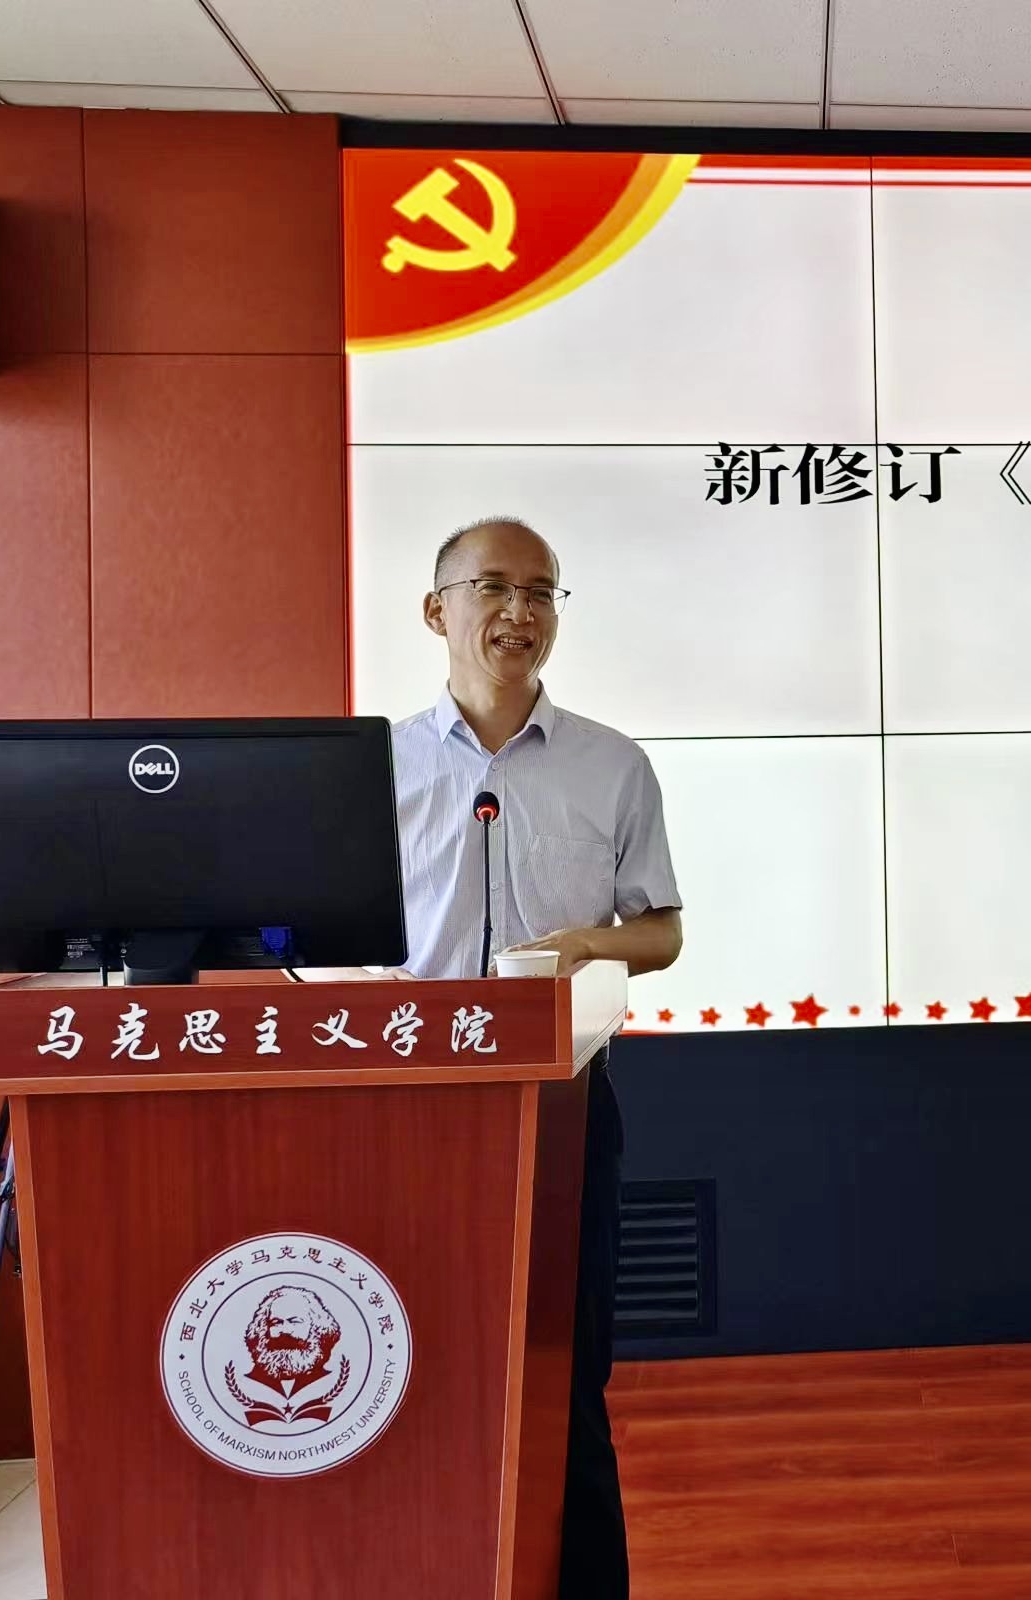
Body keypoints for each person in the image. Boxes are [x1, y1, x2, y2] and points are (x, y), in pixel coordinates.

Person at [390, 515, 681, 1600]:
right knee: (417, 1363)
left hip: (563, 1102)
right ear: (438, 610)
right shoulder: (378, 766)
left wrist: (585, 945)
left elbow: (661, 931)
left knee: (566, 1369)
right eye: (495, 588)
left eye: (542, 592)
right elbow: (321, 935)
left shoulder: (612, 763)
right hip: (408, 1107)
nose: (520, 613)